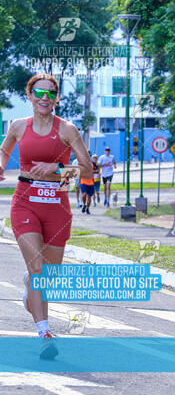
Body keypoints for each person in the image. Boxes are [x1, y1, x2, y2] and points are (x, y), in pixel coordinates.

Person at [0, 73, 92, 358]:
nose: (44, 98)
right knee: (38, 269)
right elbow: (4, 151)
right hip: (25, 203)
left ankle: (30, 288)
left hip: (57, 206)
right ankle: (44, 334)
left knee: (45, 276)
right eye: (39, 92)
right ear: (29, 95)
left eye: (50, 93)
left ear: (57, 98)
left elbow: (87, 170)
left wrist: (55, 169)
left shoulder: (67, 130)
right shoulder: (17, 126)